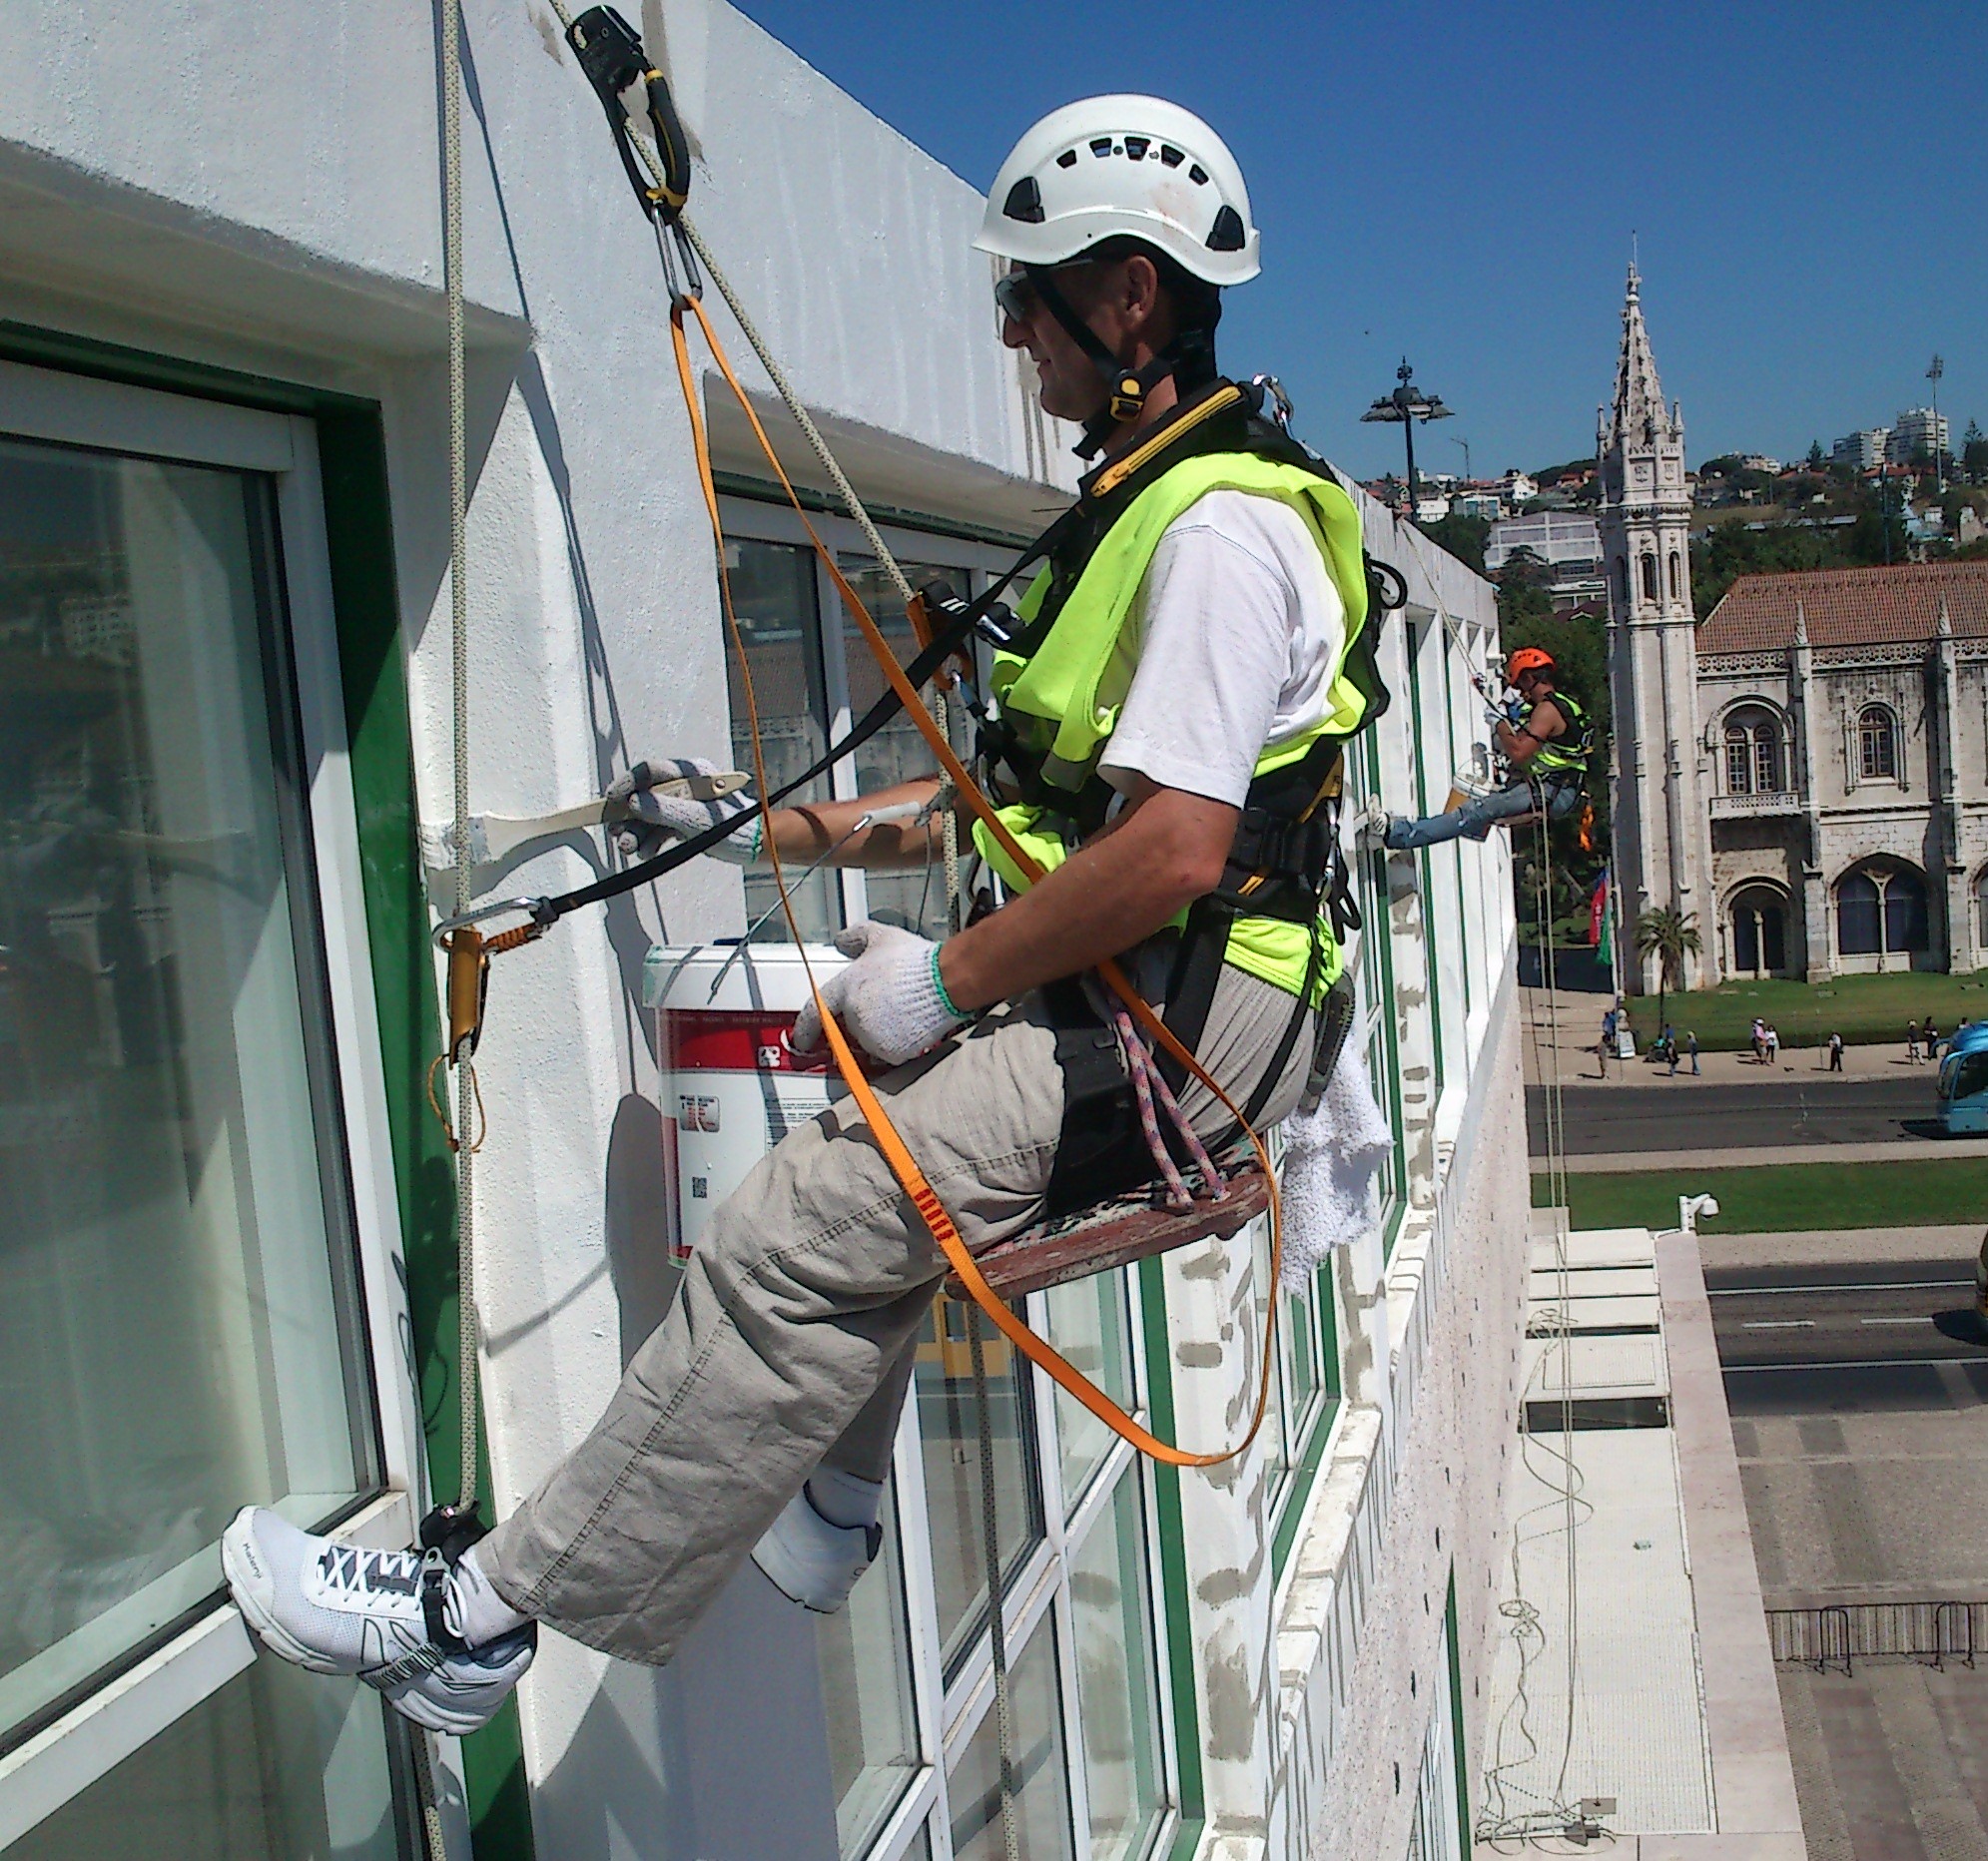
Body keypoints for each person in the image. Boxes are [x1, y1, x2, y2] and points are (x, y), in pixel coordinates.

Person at [220, 98, 1378, 1735]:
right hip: (1168, 993)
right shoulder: (1163, 504)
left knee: (796, 1229)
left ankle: (469, 1621)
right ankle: (828, 1509)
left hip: (1184, 1015)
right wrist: (786, 824)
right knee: (865, 1200)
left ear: (1131, 298)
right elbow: (1045, 809)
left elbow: (1177, 844)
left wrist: (946, 981)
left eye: (1029, 294)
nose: (1005, 328)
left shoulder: (1217, 534)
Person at [1371, 647, 1590, 850]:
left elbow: (1519, 752)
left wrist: (1498, 722)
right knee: (1475, 812)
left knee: (1474, 811)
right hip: (1557, 786)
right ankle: (1409, 828)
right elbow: (1525, 736)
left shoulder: (1546, 710)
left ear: (1529, 678)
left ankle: (1393, 834)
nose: (1521, 693)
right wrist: (1487, 694)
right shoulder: (1563, 704)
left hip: (1553, 789)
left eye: (1519, 686)